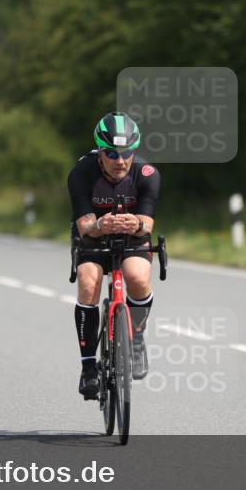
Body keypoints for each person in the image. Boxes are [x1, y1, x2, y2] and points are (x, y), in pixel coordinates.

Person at [67, 112, 160, 400]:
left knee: (137, 278)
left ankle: (136, 338)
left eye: (127, 153)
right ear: (99, 152)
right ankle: (88, 367)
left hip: (132, 238)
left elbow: (148, 223)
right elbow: (84, 227)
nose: (120, 161)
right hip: (93, 236)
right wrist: (99, 224)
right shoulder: (81, 174)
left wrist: (137, 224)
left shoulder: (148, 175)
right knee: (88, 281)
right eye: (111, 153)